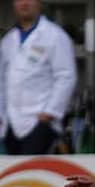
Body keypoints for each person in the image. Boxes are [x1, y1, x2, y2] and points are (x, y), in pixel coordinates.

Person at [0, 0, 77, 155]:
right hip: (11, 124)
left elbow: (66, 76)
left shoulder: (55, 36)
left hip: (41, 123)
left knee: (33, 173)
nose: (24, 3)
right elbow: (2, 80)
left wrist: (49, 114)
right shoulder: (8, 40)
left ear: (40, 3)